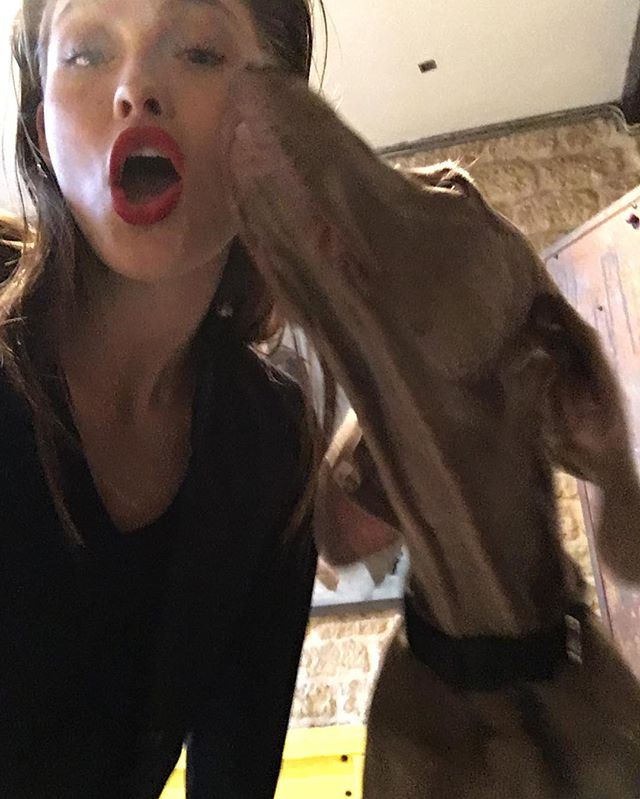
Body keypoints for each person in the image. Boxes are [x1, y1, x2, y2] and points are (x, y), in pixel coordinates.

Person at [0, 1, 325, 796]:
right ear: (43, 132)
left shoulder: (273, 448)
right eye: (86, 53)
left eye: (201, 53)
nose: (135, 90)